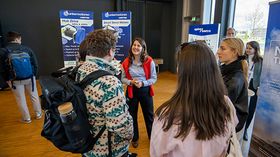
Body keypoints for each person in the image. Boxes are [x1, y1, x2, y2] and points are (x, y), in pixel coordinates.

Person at [150, 41, 238, 157]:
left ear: (181, 70)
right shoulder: (225, 104)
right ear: (213, 69)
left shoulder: (167, 116)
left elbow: (156, 153)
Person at [76, 29, 134, 157]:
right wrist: (131, 135)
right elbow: (119, 125)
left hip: (86, 145)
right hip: (108, 150)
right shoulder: (110, 82)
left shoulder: (79, 71)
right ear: (110, 51)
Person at [121, 37, 157, 148]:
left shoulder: (149, 60)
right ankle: (135, 137)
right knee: (132, 116)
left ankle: (152, 137)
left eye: (138, 45)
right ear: (131, 47)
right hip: (131, 91)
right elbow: (122, 78)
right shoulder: (126, 62)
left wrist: (143, 83)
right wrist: (130, 82)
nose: (136, 47)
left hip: (145, 90)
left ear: (143, 48)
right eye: (134, 45)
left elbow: (154, 78)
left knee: (149, 115)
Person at [3, 31, 42, 123]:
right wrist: (34, 76)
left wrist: (7, 80)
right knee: (34, 96)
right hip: (30, 78)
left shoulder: (3, 51)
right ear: (16, 39)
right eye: (20, 39)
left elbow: (2, 68)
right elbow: (35, 64)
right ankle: (39, 114)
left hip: (15, 80)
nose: (21, 41)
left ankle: (26, 118)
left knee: (20, 99)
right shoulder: (27, 49)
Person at [217, 37, 248, 142]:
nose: (218, 52)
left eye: (222, 49)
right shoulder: (224, 70)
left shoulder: (235, 79)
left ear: (234, 52)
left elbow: (220, 107)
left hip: (229, 128)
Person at [243, 41, 263, 141]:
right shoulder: (242, 58)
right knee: (242, 106)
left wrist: (259, 87)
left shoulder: (260, 60)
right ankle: (239, 127)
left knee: (251, 109)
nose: (247, 50)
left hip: (254, 85)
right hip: (243, 84)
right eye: (247, 47)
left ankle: (246, 129)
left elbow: (263, 75)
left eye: (250, 48)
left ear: (255, 49)